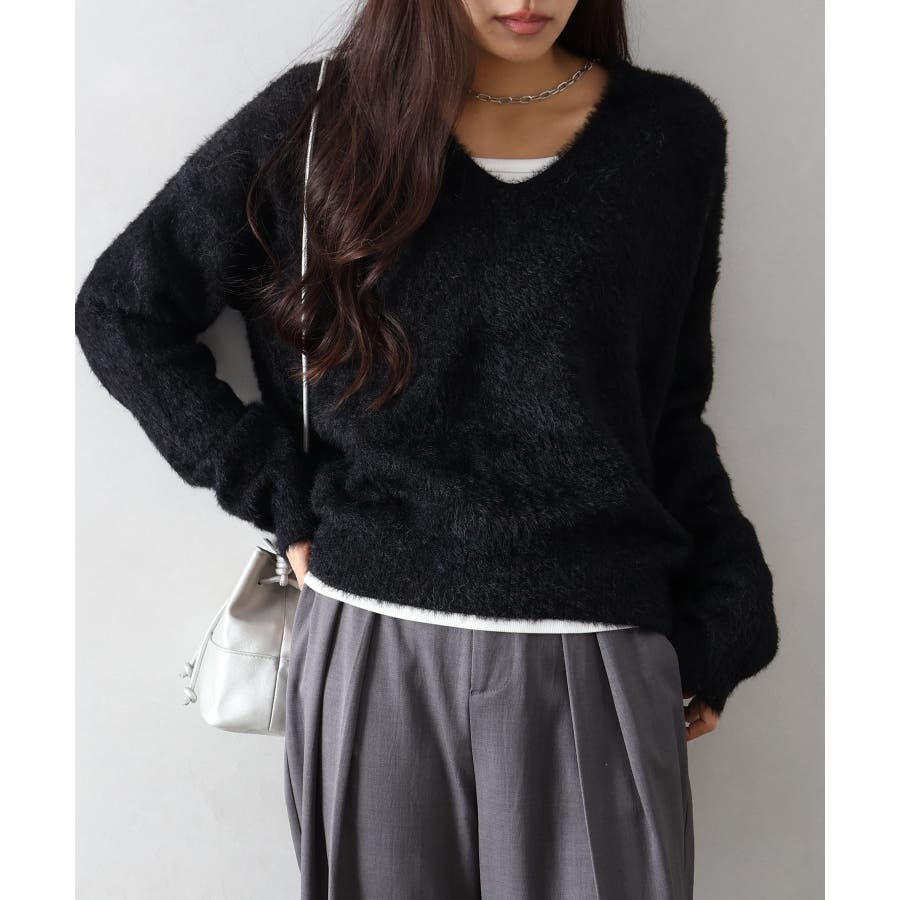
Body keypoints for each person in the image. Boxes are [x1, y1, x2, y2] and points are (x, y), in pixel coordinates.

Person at [75, 1, 780, 897]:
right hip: (372, 645)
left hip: (599, 646)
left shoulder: (671, 136)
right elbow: (123, 313)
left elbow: (669, 405)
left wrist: (729, 609)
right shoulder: (317, 122)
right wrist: (281, 499)